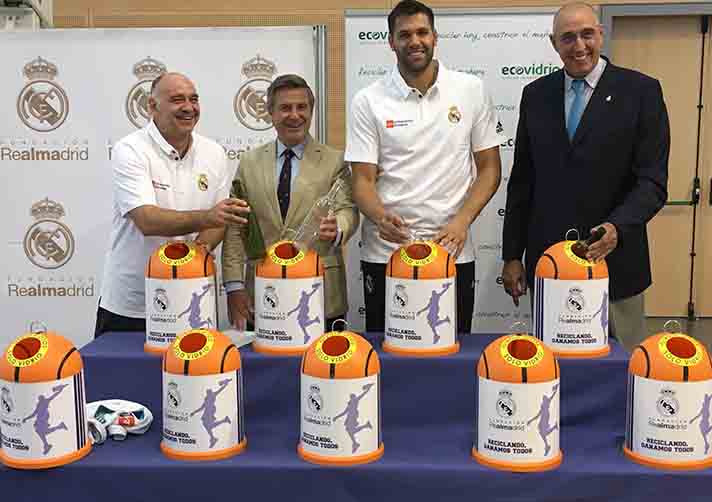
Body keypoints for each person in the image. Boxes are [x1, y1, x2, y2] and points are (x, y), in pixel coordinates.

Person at [501, 3, 670, 351]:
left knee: (620, 369)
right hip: (550, 266)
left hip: (617, 265)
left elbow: (652, 181)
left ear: (601, 34)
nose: (579, 46)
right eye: (567, 38)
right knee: (550, 366)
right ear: (554, 43)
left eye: (587, 34)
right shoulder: (535, 95)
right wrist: (512, 255)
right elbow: (523, 181)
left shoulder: (641, 92)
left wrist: (617, 228)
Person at [345, 0, 504, 333]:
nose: (414, 41)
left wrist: (462, 222)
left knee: (451, 352)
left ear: (435, 36)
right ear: (391, 41)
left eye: (422, 32)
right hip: (387, 253)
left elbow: (489, 168)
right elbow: (361, 178)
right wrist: (378, 216)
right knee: (390, 357)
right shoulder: (368, 100)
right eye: (404, 34)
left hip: (451, 252)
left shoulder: (470, 90)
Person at [95, 72, 249, 338]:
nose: (189, 107)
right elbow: (147, 220)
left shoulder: (214, 153)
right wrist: (209, 217)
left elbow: (220, 220)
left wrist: (199, 250)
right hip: (133, 305)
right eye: (177, 99)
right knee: (126, 380)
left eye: (194, 99)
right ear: (152, 107)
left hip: (192, 298)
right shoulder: (130, 150)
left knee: (194, 379)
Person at [222, 74, 359, 332]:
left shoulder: (334, 160)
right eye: (285, 108)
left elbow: (348, 209)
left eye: (302, 107)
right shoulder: (249, 162)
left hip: (320, 294)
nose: (294, 115)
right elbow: (235, 227)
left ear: (311, 111)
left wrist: (338, 226)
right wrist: (233, 285)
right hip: (263, 295)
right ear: (271, 113)